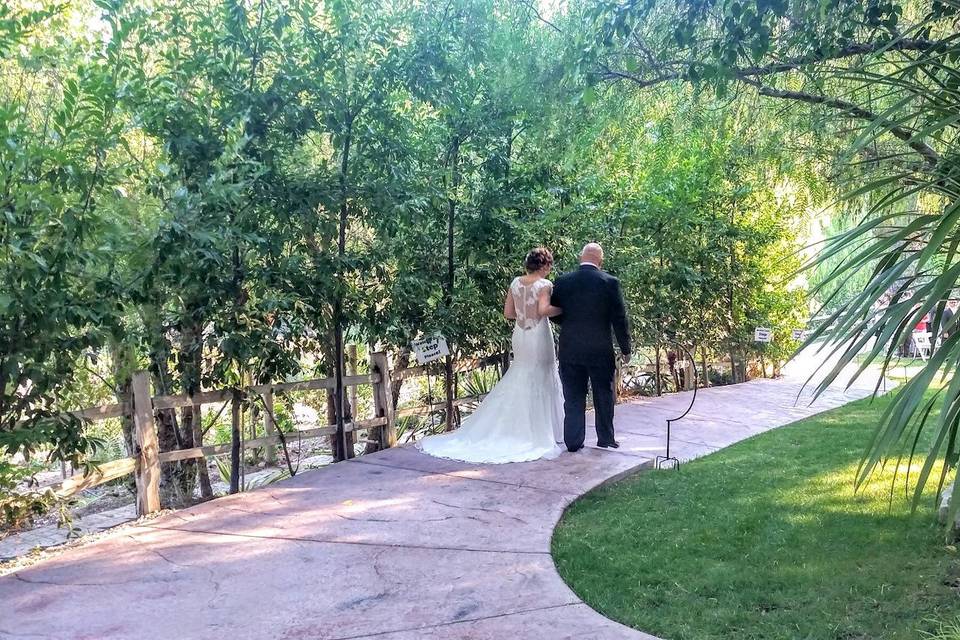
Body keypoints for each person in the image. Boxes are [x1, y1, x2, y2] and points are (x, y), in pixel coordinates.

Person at [418, 247, 564, 463]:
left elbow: (508, 313)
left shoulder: (515, 282)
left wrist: (524, 314)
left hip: (520, 333)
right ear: (544, 265)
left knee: (521, 372)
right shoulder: (544, 285)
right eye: (549, 265)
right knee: (542, 374)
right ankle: (543, 430)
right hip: (538, 334)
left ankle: (513, 427)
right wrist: (562, 309)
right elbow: (543, 310)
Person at [550, 243, 631, 451]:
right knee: (603, 394)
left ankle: (573, 442)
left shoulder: (563, 281)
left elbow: (556, 313)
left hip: (570, 349)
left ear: (581, 257)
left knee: (573, 396)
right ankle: (605, 438)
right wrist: (625, 348)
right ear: (600, 260)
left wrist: (570, 323)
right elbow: (619, 318)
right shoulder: (610, 282)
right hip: (600, 350)